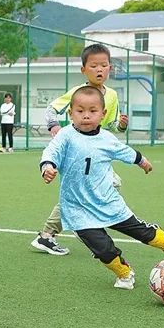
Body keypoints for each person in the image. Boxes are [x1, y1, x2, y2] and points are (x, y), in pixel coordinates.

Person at [40, 86, 164, 290]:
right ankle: (124, 273)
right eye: (80, 111)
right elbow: (51, 151)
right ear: (70, 113)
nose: (86, 116)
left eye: (92, 111)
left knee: (143, 232)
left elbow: (125, 151)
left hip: (108, 201)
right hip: (77, 208)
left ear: (102, 114)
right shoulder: (65, 136)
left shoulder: (107, 139)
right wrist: (47, 166)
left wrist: (142, 161)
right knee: (102, 248)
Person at [31, 43, 129, 256]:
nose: (99, 69)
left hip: (96, 152)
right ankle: (54, 233)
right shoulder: (77, 92)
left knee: (101, 186)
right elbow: (51, 109)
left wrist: (121, 124)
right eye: (94, 65)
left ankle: (72, 227)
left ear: (110, 68)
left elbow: (109, 125)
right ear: (84, 69)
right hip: (76, 150)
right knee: (82, 191)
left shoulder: (111, 95)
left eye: (104, 65)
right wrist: (54, 127)